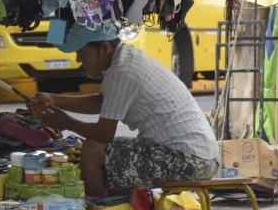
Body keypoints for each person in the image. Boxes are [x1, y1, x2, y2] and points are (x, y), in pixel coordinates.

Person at [29, 23, 219, 197]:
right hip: (199, 156)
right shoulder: (124, 60)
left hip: (188, 160)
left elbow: (104, 134)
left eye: (82, 52)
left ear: (104, 48)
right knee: (113, 152)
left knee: (92, 151)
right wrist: (53, 100)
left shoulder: (122, 71)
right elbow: (103, 102)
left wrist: (65, 122)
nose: (78, 59)